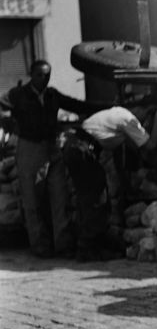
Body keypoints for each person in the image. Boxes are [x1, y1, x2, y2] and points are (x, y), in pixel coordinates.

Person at [0, 60, 106, 258]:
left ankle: (63, 244)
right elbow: (2, 106)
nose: (44, 79)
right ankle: (39, 246)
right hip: (29, 148)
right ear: (32, 74)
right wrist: (11, 124)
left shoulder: (52, 95)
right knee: (31, 199)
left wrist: (108, 106)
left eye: (47, 75)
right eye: (40, 74)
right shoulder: (18, 94)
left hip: (51, 147)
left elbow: (77, 105)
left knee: (60, 196)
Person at [63, 106, 150, 261]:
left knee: (87, 196)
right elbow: (147, 145)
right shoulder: (129, 120)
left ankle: (86, 244)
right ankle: (88, 248)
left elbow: (118, 159)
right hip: (82, 149)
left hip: (74, 147)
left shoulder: (113, 118)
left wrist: (125, 184)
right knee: (96, 196)